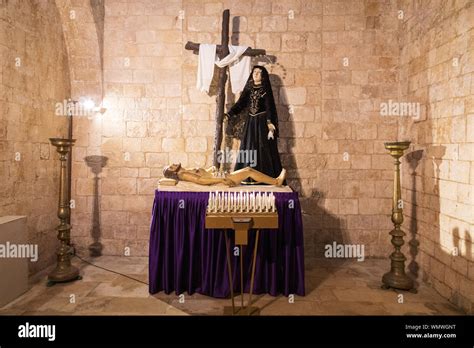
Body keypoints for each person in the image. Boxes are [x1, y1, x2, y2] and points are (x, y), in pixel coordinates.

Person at [224, 65, 283, 182]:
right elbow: (240, 104)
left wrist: (270, 125)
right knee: (248, 148)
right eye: (254, 72)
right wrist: (229, 114)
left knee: (262, 149)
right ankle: (246, 177)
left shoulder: (265, 90)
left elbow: (269, 106)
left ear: (263, 76)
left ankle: (264, 178)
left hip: (261, 123)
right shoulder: (249, 89)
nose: (256, 74)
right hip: (250, 123)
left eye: (259, 72)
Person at [161, 163, 286, 187]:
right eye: (171, 167)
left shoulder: (184, 170)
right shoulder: (184, 175)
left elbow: (203, 173)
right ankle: (276, 182)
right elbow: (201, 181)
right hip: (223, 180)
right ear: (173, 172)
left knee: (248, 169)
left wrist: (211, 169)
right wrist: (221, 180)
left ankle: (275, 180)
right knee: (249, 171)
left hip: (219, 176)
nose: (173, 163)